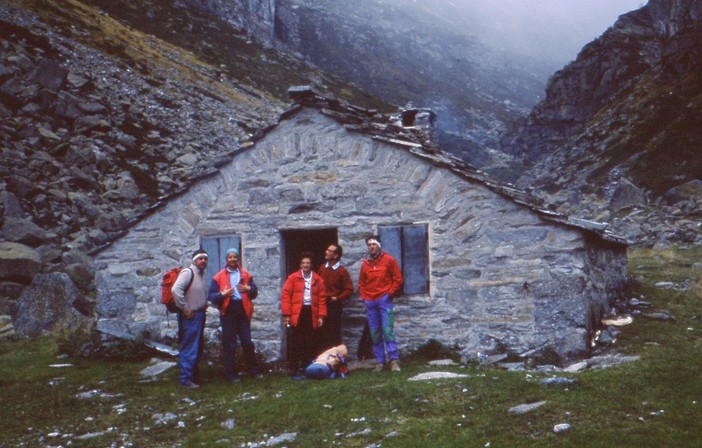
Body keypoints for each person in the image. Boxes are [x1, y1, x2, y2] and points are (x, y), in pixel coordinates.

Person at [208, 248, 263, 382]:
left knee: (247, 342)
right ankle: (230, 374)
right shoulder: (218, 277)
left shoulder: (245, 274)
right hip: (228, 311)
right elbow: (211, 296)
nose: (232, 259)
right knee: (229, 344)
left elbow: (254, 292)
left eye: (234, 257)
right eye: (230, 257)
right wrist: (223, 294)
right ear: (226, 259)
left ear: (238, 259)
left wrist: (249, 289)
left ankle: (254, 370)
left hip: (242, 310)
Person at [358, 236, 403, 372]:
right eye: (369, 245)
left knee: (388, 330)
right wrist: (365, 296)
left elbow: (398, 279)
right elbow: (362, 282)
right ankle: (380, 362)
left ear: (379, 246)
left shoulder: (389, 260)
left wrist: (389, 294)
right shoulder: (366, 264)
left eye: (374, 244)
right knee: (375, 332)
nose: (371, 247)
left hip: (384, 300)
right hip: (371, 302)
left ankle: (394, 360)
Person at [281, 252, 327, 377]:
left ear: (311, 265)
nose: (305, 265)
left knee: (309, 341)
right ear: (300, 265)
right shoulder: (292, 278)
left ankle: (306, 367)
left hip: (311, 312)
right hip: (297, 313)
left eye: (308, 263)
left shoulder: (318, 280)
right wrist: (287, 315)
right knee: (295, 341)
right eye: (303, 263)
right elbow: (285, 296)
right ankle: (293, 367)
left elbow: (322, 299)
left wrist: (321, 316)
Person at [172, 248, 209, 388]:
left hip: (199, 315)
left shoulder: (200, 274)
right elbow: (176, 290)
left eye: (205, 259)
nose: (203, 261)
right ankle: (186, 380)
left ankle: (192, 377)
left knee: (196, 348)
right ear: (194, 260)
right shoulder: (188, 272)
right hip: (191, 316)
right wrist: (185, 308)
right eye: (200, 258)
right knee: (190, 348)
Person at [317, 244, 354, 351]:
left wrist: (337, 298)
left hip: (334, 306)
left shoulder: (342, 271)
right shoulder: (322, 268)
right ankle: (322, 361)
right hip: (322, 305)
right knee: (321, 332)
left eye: (329, 251)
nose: (326, 252)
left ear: (335, 255)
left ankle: (335, 360)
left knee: (333, 333)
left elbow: (349, 290)